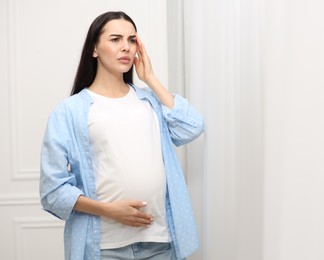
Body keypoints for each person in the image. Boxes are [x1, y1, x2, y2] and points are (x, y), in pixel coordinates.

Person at [39, 11, 204, 260]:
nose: (125, 47)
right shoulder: (70, 111)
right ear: (94, 48)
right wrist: (109, 210)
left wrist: (150, 78)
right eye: (115, 39)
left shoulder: (149, 101)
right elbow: (52, 191)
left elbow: (192, 126)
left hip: (160, 242)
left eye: (132, 40)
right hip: (104, 247)